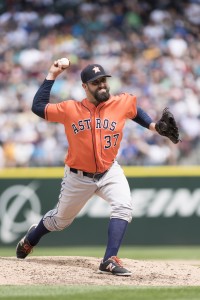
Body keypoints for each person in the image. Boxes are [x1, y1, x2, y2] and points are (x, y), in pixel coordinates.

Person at [15, 59, 175, 276]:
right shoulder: (70, 108)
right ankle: (32, 238)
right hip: (78, 176)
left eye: (103, 81)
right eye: (95, 82)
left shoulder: (120, 102)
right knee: (60, 221)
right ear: (85, 87)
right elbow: (37, 107)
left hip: (109, 171)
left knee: (124, 206)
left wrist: (154, 126)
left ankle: (109, 259)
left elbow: (134, 110)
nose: (102, 85)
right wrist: (52, 74)